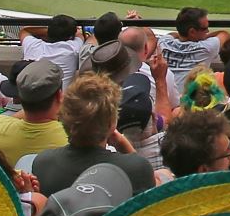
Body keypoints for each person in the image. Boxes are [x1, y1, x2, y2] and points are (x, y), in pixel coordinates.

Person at [26, 75, 156, 198]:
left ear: (63, 117)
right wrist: (125, 146)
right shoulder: (136, 168)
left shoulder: (43, 163)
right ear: (111, 123)